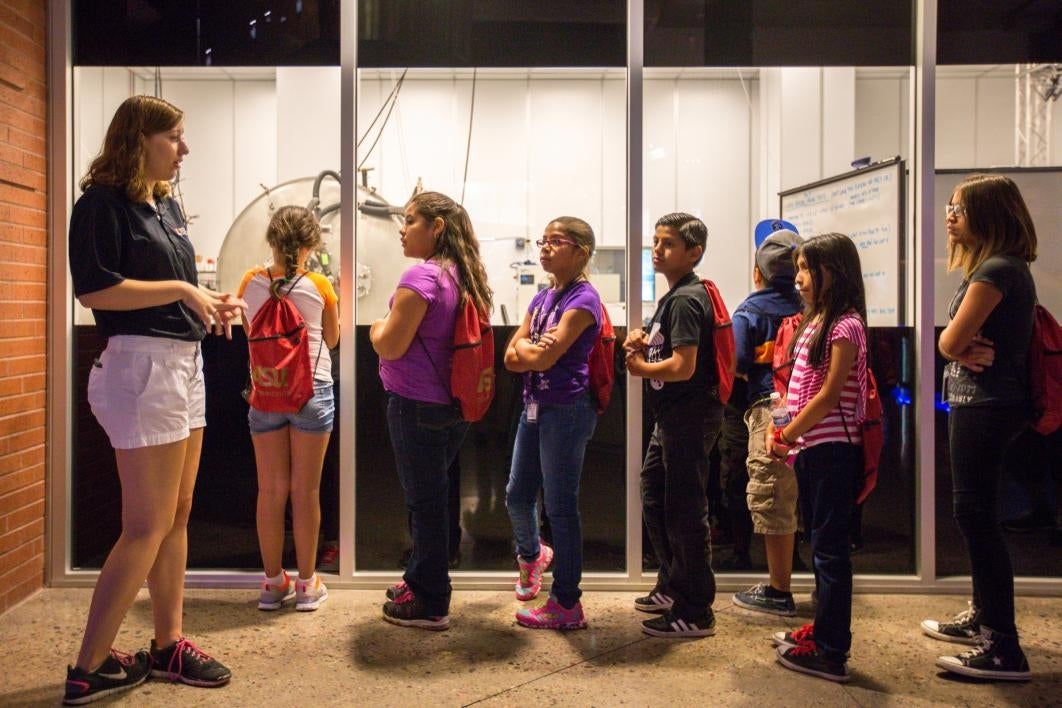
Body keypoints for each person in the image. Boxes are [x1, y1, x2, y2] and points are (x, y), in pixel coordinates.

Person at [65, 95, 239, 704]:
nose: (183, 149)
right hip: (140, 369)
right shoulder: (101, 205)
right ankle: (89, 667)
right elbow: (95, 291)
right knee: (145, 525)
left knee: (177, 514)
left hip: (180, 364)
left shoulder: (161, 204)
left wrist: (206, 300)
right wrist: (184, 289)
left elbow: (168, 289)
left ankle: (168, 645)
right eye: (174, 137)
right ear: (139, 140)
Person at [921, 174, 1037, 681]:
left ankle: (1002, 646)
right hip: (981, 401)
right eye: (949, 206)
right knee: (975, 514)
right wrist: (955, 344)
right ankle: (983, 618)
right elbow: (954, 342)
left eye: (960, 208)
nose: (950, 216)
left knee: (976, 517)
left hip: (986, 404)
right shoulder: (997, 268)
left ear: (988, 215)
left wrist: (952, 345)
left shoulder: (996, 270)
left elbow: (949, 340)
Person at [370, 191, 492, 630]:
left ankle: (431, 600)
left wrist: (376, 330)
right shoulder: (463, 274)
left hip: (415, 405)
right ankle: (420, 578)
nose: (402, 229)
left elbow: (390, 342)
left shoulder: (421, 277)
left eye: (410, 221)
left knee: (424, 503)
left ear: (436, 227)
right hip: (452, 406)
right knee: (433, 499)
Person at [768, 232, 868, 683]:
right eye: (799, 269)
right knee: (820, 548)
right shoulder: (816, 321)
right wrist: (785, 430)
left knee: (830, 553)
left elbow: (829, 396)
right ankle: (824, 630)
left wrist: (788, 431)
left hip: (833, 450)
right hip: (810, 448)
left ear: (836, 272)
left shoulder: (846, 325)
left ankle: (832, 651)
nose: (800, 278)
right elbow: (802, 386)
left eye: (808, 269)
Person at [238, 206, 339, 612]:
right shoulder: (320, 285)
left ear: (271, 241)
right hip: (312, 391)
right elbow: (330, 340)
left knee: (270, 490)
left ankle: (271, 583)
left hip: (266, 391)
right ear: (311, 243)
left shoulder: (250, 281)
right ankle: (306, 585)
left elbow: (249, 335)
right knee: (305, 491)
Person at [625, 213, 722, 638]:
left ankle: (695, 608)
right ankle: (671, 583)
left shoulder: (685, 299)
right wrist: (640, 340)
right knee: (655, 492)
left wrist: (640, 366)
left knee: (685, 510)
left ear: (694, 252)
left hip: (689, 416)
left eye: (668, 244)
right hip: (673, 417)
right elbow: (667, 347)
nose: (657, 251)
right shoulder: (675, 296)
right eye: (656, 242)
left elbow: (683, 367)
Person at [504, 217, 603, 630]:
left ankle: (567, 603)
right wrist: (530, 349)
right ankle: (532, 556)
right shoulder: (543, 297)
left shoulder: (584, 299)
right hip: (535, 406)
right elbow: (511, 355)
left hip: (566, 410)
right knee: (516, 494)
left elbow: (545, 356)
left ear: (580, 251)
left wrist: (532, 351)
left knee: (561, 508)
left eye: (555, 241)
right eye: (543, 240)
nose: (544, 248)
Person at [730, 228, 805, 615]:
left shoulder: (750, 310)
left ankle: (779, 590)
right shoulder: (812, 306)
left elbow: (736, 363)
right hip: (812, 411)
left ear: (757, 271)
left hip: (771, 410)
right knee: (800, 496)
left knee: (771, 493)